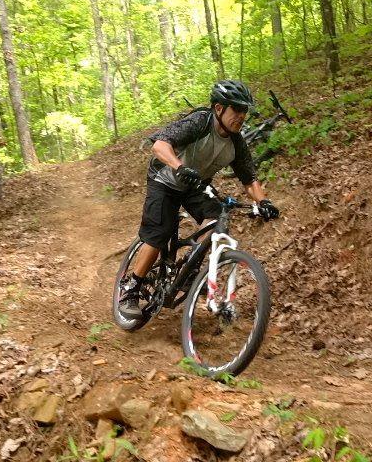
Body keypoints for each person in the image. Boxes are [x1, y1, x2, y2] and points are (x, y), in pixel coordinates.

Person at [119, 80, 280, 319]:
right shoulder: (200, 122)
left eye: (244, 111)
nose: (241, 116)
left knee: (216, 219)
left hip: (195, 185)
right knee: (160, 232)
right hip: (165, 179)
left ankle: (189, 271)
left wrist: (263, 202)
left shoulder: (236, 142)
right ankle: (131, 287)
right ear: (218, 109)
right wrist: (179, 166)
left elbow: (249, 178)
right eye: (236, 110)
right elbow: (160, 146)